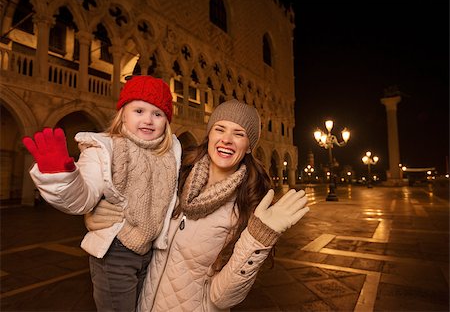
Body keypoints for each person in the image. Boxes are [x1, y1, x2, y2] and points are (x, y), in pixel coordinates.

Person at [86, 99, 310, 311]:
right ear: (209, 135)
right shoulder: (176, 177)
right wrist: (101, 215)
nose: (227, 139)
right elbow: (139, 205)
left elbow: (223, 298)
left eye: (239, 134)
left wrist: (259, 238)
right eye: (220, 129)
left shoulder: (245, 206)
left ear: (249, 146)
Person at [22, 76, 182, 312]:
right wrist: (61, 177)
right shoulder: (104, 148)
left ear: (166, 122)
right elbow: (82, 197)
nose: (148, 120)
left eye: (157, 114)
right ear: (123, 114)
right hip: (115, 252)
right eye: (139, 110)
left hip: (150, 253)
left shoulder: (171, 154)